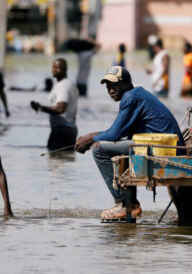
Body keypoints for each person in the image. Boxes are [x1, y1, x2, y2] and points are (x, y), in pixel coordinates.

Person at [74, 66, 184, 220]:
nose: (111, 90)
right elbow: (120, 133)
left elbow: (113, 134)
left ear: (126, 83)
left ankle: (124, 203)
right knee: (116, 146)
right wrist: (92, 136)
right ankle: (130, 203)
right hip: (164, 144)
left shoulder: (130, 98)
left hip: (163, 147)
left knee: (99, 149)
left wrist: (90, 138)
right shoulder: (137, 94)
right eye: (108, 87)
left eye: (115, 86)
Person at [30, 58, 78, 151]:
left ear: (65, 70)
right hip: (66, 129)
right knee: (61, 161)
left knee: (56, 161)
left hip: (62, 130)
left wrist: (40, 108)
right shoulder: (66, 84)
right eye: (53, 67)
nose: (55, 70)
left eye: (58, 68)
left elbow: (60, 108)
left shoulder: (63, 85)